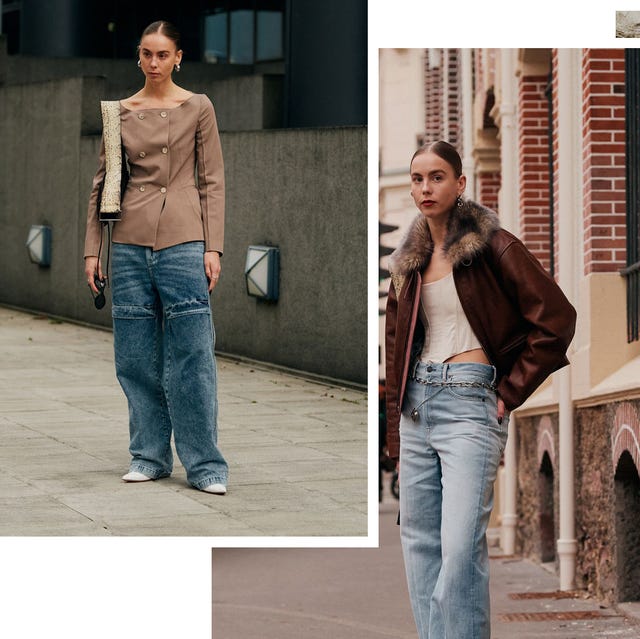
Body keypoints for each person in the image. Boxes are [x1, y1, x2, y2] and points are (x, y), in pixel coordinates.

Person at [384, 141, 576, 638]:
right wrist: (395, 427)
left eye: (438, 177)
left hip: (471, 402)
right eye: (418, 178)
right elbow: (397, 343)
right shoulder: (408, 262)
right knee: (420, 544)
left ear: (461, 184)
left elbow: (555, 321)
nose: (426, 188)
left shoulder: (494, 246)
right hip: (417, 407)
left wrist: (510, 391)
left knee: (459, 548)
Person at [83, 20, 228, 495]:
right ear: (138, 57)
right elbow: (103, 185)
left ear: (178, 57)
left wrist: (213, 246)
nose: (153, 63)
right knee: (135, 358)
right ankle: (148, 456)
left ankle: (205, 465)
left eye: (162, 54)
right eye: (146, 53)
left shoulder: (198, 107)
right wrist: (92, 251)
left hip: (184, 241)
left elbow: (212, 181)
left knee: (193, 356)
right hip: (127, 241)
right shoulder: (117, 113)